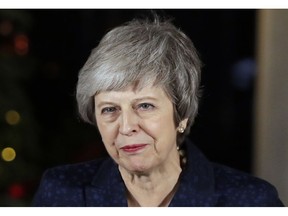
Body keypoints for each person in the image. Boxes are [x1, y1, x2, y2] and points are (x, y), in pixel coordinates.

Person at [32, 16, 284, 207]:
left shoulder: (250, 200)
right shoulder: (62, 193)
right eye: (110, 109)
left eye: (144, 106)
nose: (127, 126)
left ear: (182, 114)